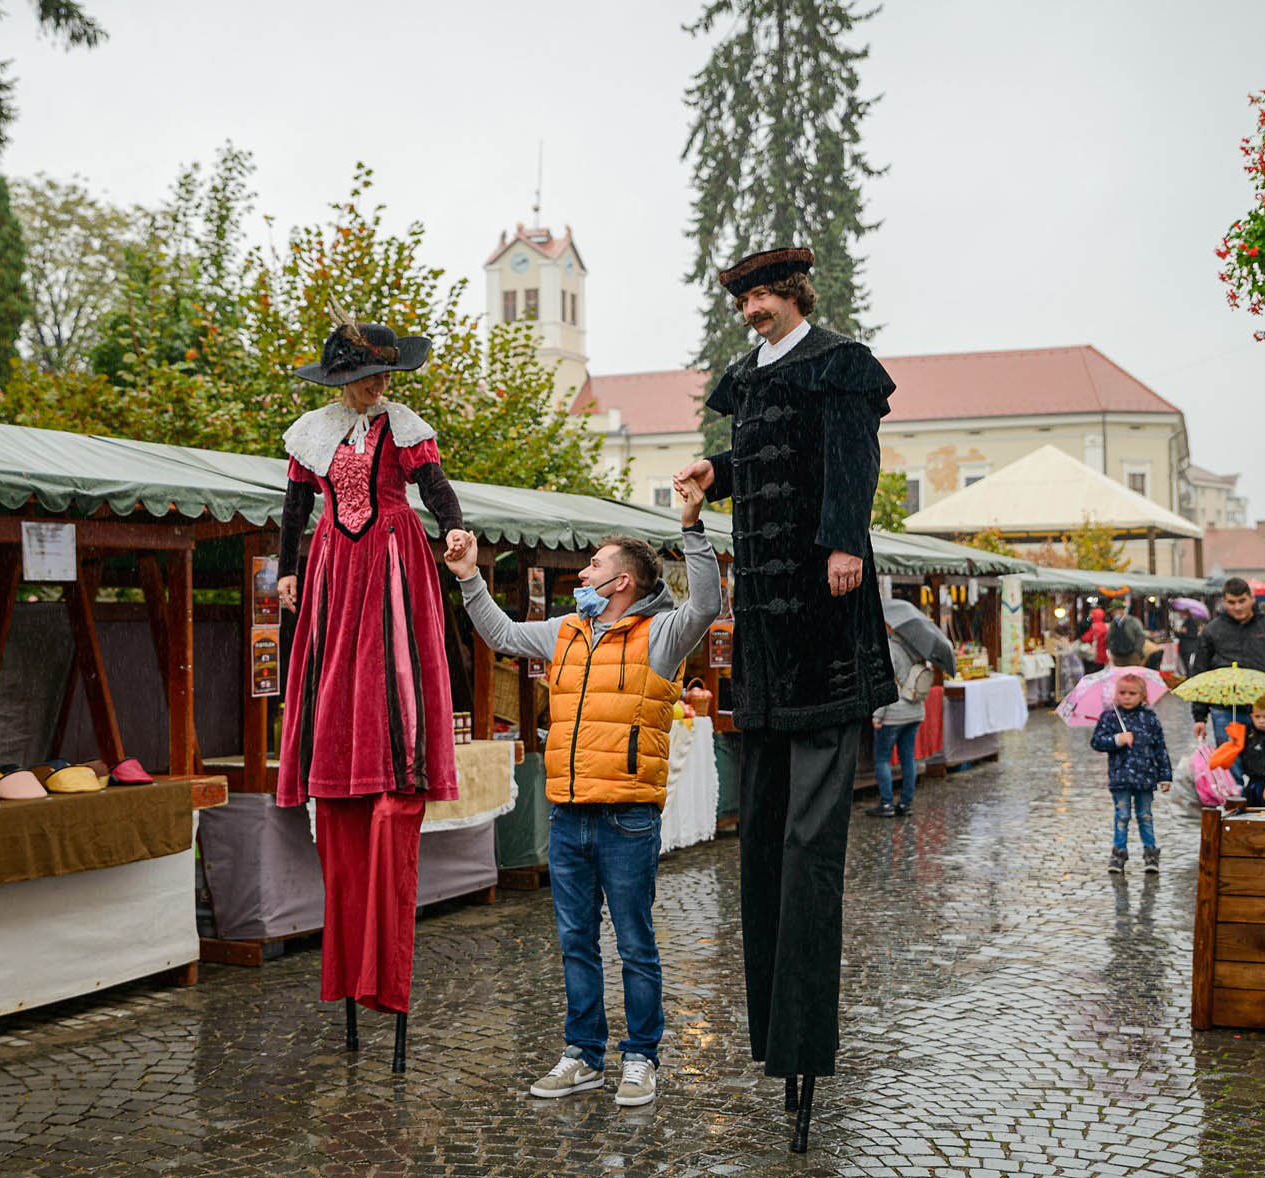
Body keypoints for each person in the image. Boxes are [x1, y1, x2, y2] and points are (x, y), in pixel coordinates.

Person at [673, 245, 896, 1154]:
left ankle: (808, 1044)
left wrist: (844, 541)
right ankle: (775, 1041)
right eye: (743, 299)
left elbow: (850, 458)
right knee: (760, 836)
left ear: (795, 296)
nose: (752, 310)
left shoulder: (838, 363)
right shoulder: (753, 378)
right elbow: (762, 459)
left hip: (825, 621)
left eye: (764, 296)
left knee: (810, 842)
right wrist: (712, 476)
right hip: (763, 636)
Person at [446, 485, 718, 1109]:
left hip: (627, 816)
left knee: (634, 942)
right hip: (568, 812)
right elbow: (504, 634)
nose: (584, 572)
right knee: (575, 940)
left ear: (622, 580)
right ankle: (582, 1055)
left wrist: (692, 528)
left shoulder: (662, 635)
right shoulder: (565, 632)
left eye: (594, 564)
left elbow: (706, 603)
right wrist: (468, 579)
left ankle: (641, 1058)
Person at [275, 312, 472, 1066]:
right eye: (365, 380)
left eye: (383, 378)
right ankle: (336, 751)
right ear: (341, 384)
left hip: (391, 551)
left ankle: (393, 746)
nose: (376, 389)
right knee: (334, 663)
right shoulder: (312, 435)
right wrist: (288, 568)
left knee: (391, 659)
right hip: (332, 560)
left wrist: (453, 529)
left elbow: (436, 488)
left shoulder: (406, 428)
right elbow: (295, 509)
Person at [1190, 578, 1265, 746]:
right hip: (1225, 710)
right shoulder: (1212, 631)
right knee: (1230, 768)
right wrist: (1199, 717)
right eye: (1231, 602)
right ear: (1224, 601)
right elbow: (1200, 673)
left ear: (1251, 598)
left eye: (1242, 601)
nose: (1237, 607)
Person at [1088, 671, 1173, 873]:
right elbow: (1097, 742)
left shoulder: (1150, 718)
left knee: (1145, 815)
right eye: (1123, 693)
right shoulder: (1109, 717)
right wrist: (1118, 740)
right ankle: (1119, 853)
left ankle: (1150, 853)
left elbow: (1160, 748)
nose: (1127, 697)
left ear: (1143, 696)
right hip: (1120, 778)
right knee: (1122, 815)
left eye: (1132, 693)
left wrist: (1165, 776)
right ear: (1116, 694)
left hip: (1145, 777)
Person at [870, 626, 926, 818]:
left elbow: (885, 683)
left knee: (882, 759)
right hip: (915, 711)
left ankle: (886, 803)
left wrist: (877, 715)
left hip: (894, 713)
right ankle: (905, 803)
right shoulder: (918, 650)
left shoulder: (891, 649)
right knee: (907, 758)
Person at [1106, 598, 1147, 668]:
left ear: (1121, 610)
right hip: (1118, 657)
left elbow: (1141, 636)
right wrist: (1112, 650)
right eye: (1111, 612)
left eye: (1113, 611)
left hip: (1132, 656)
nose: (1112, 614)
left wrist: (1137, 650)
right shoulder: (1113, 623)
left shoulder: (1133, 621)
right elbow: (1109, 638)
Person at [1175, 609, 1204, 677]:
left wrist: (1185, 632)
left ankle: (1189, 676)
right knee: (1185, 665)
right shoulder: (1184, 622)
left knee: (1188, 665)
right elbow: (1180, 636)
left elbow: (1193, 635)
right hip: (1183, 647)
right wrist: (1178, 632)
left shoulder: (1191, 622)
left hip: (1189, 648)